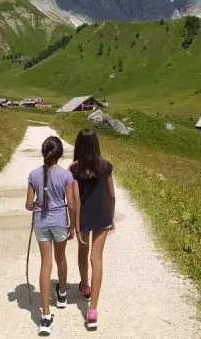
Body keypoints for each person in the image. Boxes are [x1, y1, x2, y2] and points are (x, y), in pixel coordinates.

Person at [25, 136, 78, 336]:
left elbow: (29, 204)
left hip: (40, 222)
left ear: (43, 152)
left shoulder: (32, 175)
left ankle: (45, 315)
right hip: (58, 222)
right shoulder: (66, 176)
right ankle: (62, 295)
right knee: (61, 258)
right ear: (60, 155)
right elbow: (72, 204)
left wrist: (38, 201)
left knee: (45, 264)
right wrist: (73, 225)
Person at [70, 128, 116, 331]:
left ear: (79, 145)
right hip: (102, 216)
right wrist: (111, 217)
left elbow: (73, 200)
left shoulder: (74, 169)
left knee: (83, 250)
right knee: (97, 258)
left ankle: (84, 285)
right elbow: (112, 195)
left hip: (84, 217)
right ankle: (93, 310)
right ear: (96, 144)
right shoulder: (106, 166)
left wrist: (75, 223)